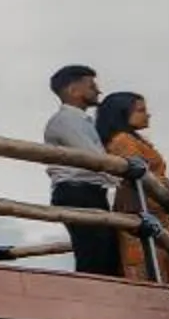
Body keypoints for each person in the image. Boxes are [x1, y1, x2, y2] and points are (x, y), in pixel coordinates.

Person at [96, 90, 169, 292]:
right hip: (139, 205)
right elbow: (140, 175)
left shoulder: (134, 139)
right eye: (141, 110)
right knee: (149, 261)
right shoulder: (122, 141)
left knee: (168, 259)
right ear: (123, 113)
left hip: (156, 207)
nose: (147, 114)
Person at [41, 64, 121, 276]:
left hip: (91, 192)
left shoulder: (83, 121)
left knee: (103, 253)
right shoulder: (66, 121)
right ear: (73, 90)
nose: (98, 91)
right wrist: (127, 181)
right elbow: (93, 157)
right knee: (94, 255)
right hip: (77, 192)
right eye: (91, 86)